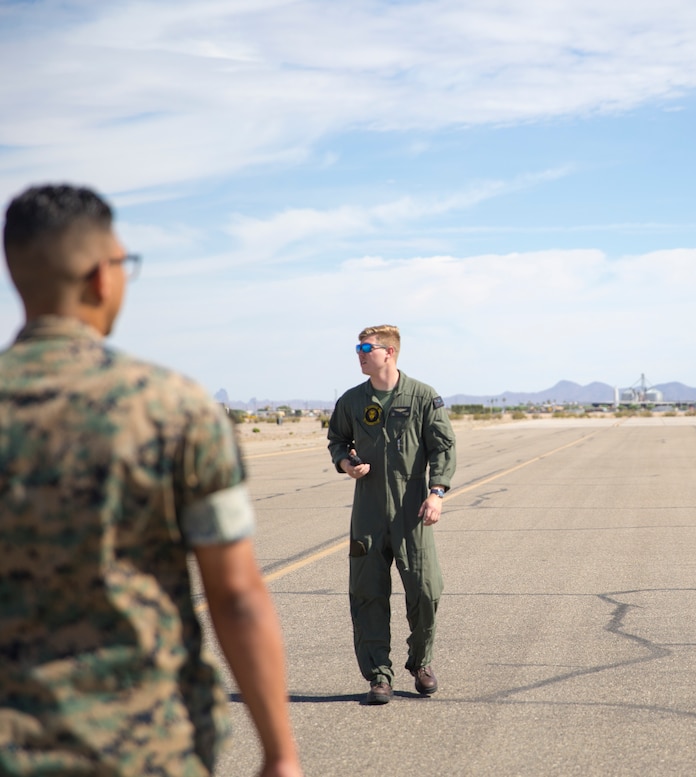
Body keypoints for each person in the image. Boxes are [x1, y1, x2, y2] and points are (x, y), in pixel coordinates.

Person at [0, 184, 303, 777]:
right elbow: (236, 594)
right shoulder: (172, 409)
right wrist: (280, 752)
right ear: (100, 278)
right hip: (145, 748)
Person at [327, 324, 456, 705]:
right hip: (368, 512)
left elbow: (443, 448)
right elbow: (338, 440)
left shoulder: (421, 396)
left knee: (426, 589)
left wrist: (437, 493)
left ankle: (420, 662)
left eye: (366, 347)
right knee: (368, 593)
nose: (360, 353)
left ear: (389, 353)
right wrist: (345, 462)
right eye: (357, 347)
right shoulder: (351, 401)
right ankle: (379, 675)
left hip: (411, 510)